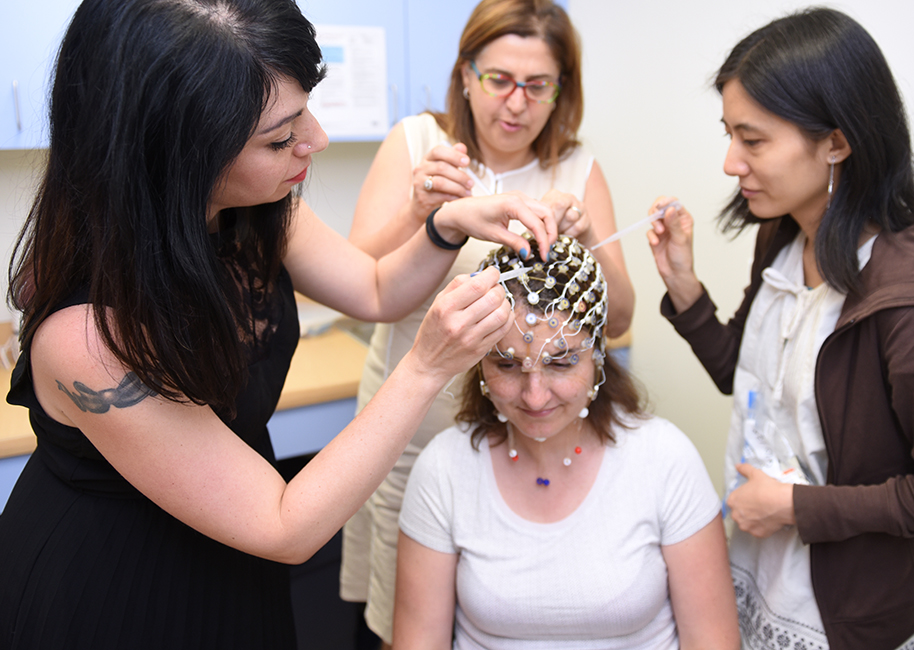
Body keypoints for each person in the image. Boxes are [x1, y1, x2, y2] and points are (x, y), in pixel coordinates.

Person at [0, 0, 559, 647]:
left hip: (237, 561)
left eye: (306, 112)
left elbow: (375, 288)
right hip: (115, 585)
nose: (315, 141)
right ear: (179, 156)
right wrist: (426, 365)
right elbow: (284, 524)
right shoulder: (88, 338)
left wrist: (447, 223)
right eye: (279, 136)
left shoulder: (256, 213)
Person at [647, 7, 914, 650]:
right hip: (758, 567)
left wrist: (797, 509)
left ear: (836, 142)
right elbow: (747, 377)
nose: (730, 163)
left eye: (753, 141)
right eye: (728, 135)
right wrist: (684, 287)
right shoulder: (784, 240)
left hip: (845, 615)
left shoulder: (913, 304)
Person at [340, 0, 634, 642]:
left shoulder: (577, 171)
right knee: (404, 621)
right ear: (466, 74)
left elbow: (622, 317)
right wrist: (420, 212)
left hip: (527, 442)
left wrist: (586, 242)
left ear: (562, 92)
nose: (516, 103)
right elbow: (356, 279)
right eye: (499, 79)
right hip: (413, 432)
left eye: (538, 86)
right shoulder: (421, 144)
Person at [392, 235, 739, 650]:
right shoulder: (443, 469)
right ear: (478, 361)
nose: (535, 396)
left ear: (597, 354)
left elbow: (714, 641)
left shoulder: (665, 459)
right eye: (506, 364)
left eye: (561, 362)